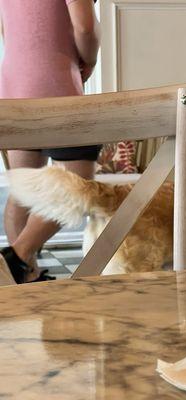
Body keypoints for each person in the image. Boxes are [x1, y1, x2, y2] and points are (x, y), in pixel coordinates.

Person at [0, 0, 101, 283]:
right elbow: (85, 27)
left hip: (13, 82)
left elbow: (7, 29)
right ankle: (18, 257)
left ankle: (24, 276)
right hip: (56, 81)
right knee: (80, 186)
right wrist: (90, 60)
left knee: (23, 189)